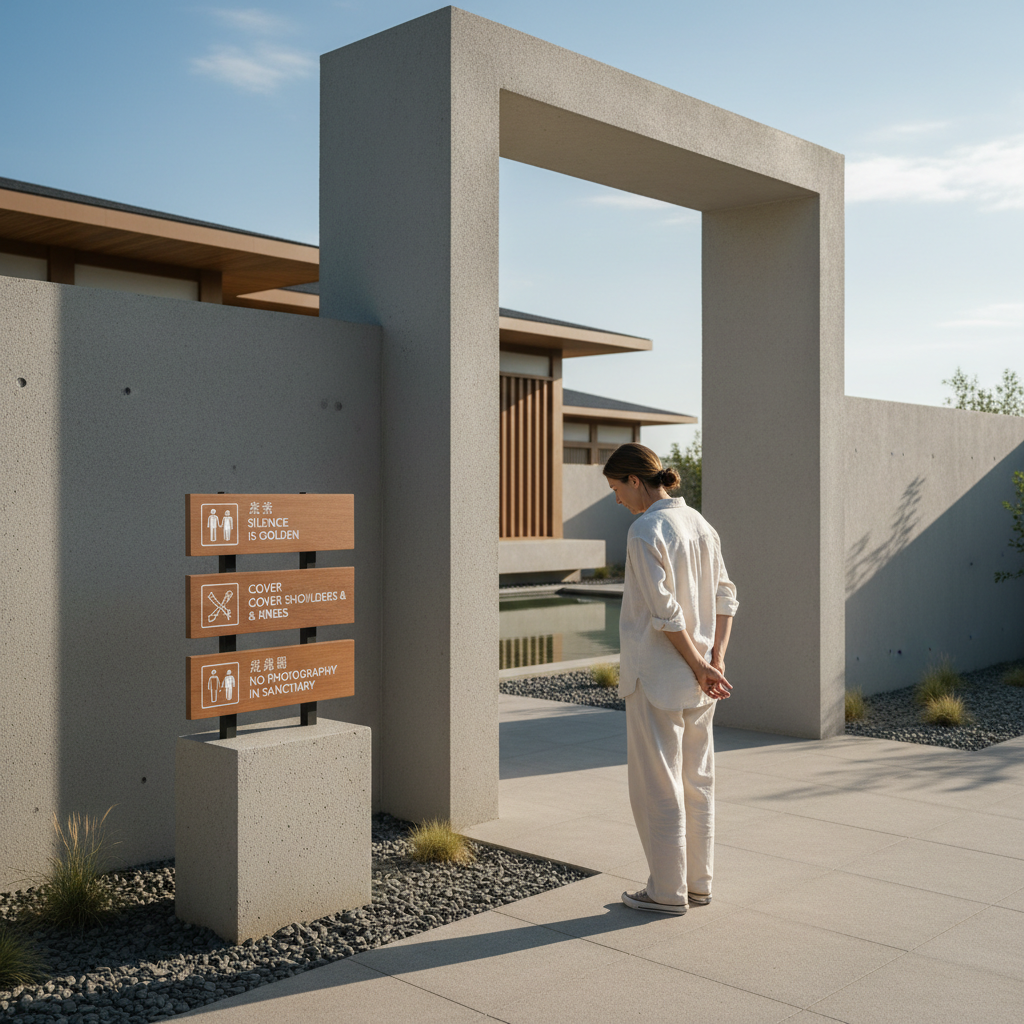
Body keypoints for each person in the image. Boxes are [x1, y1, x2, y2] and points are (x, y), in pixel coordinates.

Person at [603, 442, 738, 915]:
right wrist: (714, 659)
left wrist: (701, 665)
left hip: (658, 677)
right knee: (698, 781)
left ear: (634, 480)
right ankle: (698, 884)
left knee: (658, 786)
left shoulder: (645, 530)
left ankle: (666, 891)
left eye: (616, 488)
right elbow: (726, 597)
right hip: (702, 682)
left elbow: (665, 614)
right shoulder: (700, 523)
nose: (617, 499)